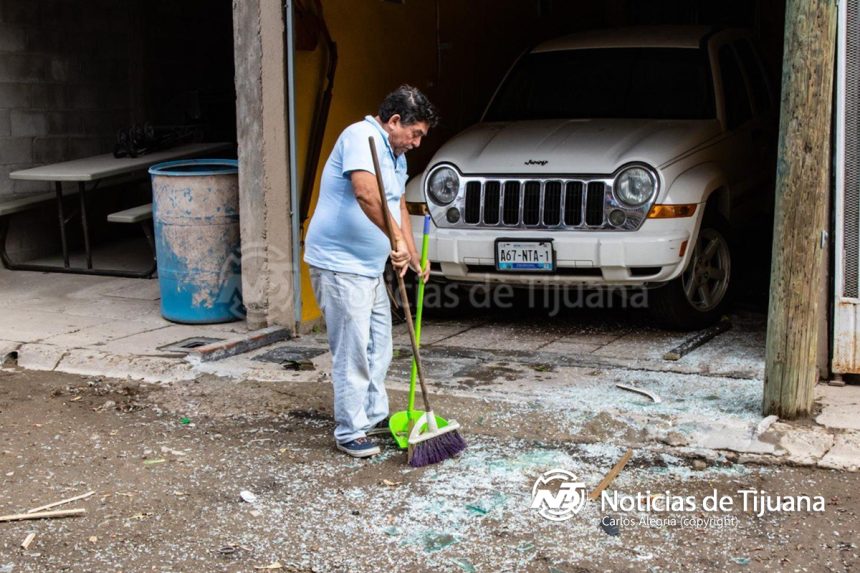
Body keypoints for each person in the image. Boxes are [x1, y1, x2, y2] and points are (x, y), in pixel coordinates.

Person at [304, 85, 438, 458]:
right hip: (339, 263)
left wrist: (411, 254)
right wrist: (394, 241)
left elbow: (395, 205)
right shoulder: (360, 136)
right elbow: (366, 193)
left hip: (367, 268)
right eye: (415, 134)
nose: (416, 143)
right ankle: (349, 429)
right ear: (395, 121)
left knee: (381, 344)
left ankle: (374, 415)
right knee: (353, 349)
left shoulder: (395, 156)